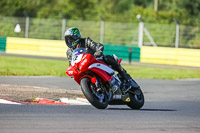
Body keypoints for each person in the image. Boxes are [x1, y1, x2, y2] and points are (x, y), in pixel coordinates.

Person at [64, 27, 131, 93]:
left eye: (70, 39)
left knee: (107, 58)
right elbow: (71, 63)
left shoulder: (86, 41)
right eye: (67, 40)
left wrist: (98, 51)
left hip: (95, 59)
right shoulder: (69, 52)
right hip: (83, 66)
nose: (68, 41)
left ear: (76, 37)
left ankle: (124, 76)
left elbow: (98, 45)